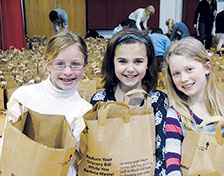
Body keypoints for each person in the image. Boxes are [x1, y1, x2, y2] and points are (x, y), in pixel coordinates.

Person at [0, 30, 93, 176]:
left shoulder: (85, 112)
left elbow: (79, 163)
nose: (68, 72)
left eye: (75, 64)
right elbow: (7, 144)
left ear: (85, 65)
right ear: (47, 64)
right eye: (60, 64)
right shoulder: (24, 96)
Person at [163, 37, 224, 175]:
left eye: (189, 69)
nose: (183, 78)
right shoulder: (176, 115)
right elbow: (172, 163)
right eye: (176, 74)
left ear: (207, 68)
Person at [90, 29, 169, 175]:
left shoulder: (158, 100)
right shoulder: (99, 100)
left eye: (138, 61)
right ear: (112, 63)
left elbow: (162, 152)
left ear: (148, 63)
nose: (130, 69)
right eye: (122, 61)